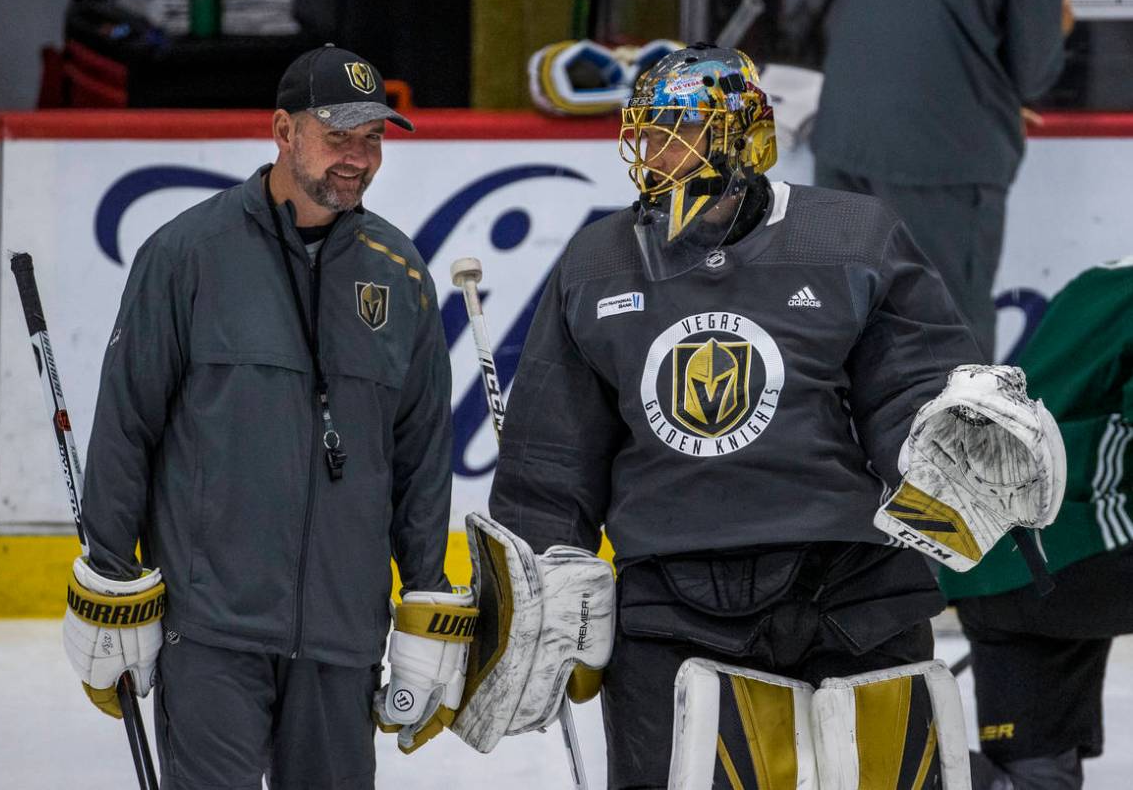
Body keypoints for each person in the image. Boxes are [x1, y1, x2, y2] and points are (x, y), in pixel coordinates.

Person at [486, 43, 1015, 789]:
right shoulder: (595, 260)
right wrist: (535, 581)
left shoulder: (851, 237)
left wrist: (948, 456)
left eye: (681, 129)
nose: (657, 150)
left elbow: (910, 390)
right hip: (670, 600)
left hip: (852, 584)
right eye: (647, 131)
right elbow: (552, 452)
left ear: (741, 135)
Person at [59, 45, 465, 789]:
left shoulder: (398, 273)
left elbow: (419, 458)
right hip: (211, 631)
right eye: (338, 134)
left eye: (372, 138)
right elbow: (126, 427)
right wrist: (110, 580)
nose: (359, 157)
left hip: (343, 636)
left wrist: (427, 597)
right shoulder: (187, 255)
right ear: (282, 129)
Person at [941, 257, 1133, 790]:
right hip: (1076, 545)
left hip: (991, 566)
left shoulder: (1098, 280)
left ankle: (884, 771)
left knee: (1034, 783)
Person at [810, 0, 1073, 361]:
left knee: (846, 326)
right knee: (946, 343)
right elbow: (1034, 70)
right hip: (944, 154)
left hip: (844, 133)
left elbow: (803, 15)